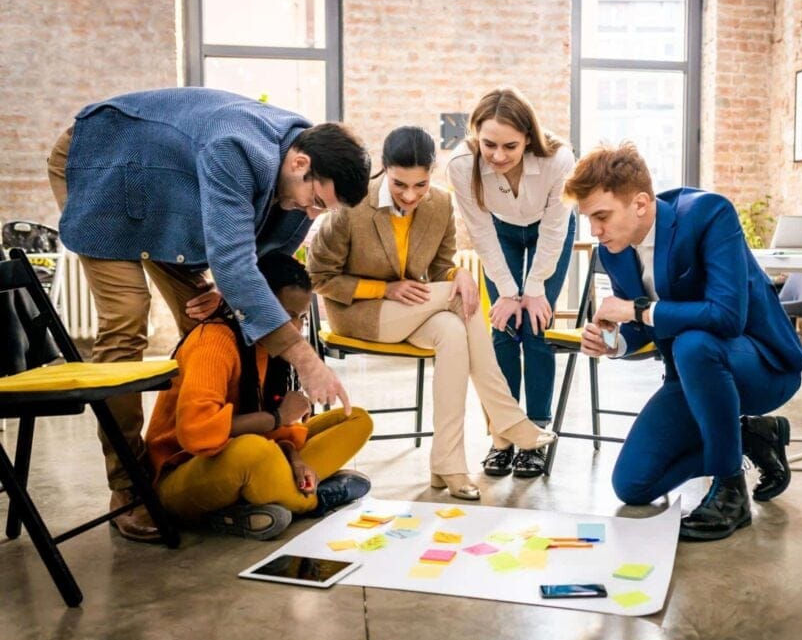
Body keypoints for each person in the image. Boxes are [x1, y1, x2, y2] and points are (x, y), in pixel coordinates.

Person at [47, 87, 371, 541]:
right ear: (300, 164)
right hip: (102, 163)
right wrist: (304, 357)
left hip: (160, 191)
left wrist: (230, 293)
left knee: (213, 324)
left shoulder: (301, 164)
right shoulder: (236, 149)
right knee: (126, 323)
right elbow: (236, 264)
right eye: (315, 201)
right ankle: (131, 486)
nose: (312, 213)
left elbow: (259, 262)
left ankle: (216, 461)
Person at [564, 142, 802, 541]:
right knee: (633, 486)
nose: (595, 230)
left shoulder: (709, 214)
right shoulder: (614, 251)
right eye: (589, 219)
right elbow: (640, 328)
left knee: (694, 344)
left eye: (602, 216)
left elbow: (728, 317)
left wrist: (637, 310)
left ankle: (730, 490)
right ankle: (752, 437)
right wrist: (614, 342)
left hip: (761, 366)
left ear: (640, 203)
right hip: (692, 378)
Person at [307, 126, 555, 500]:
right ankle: (505, 417)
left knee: (454, 332)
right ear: (384, 170)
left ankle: (447, 466)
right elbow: (319, 276)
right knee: (459, 301)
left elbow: (440, 269)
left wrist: (457, 275)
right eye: (399, 184)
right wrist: (386, 289)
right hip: (359, 313)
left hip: (417, 310)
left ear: (432, 174)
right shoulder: (353, 206)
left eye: (420, 185)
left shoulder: (440, 204)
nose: (410, 195)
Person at [145, 252, 373, 541]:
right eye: (285, 315)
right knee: (252, 451)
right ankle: (314, 500)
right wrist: (277, 417)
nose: (295, 329)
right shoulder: (214, 341)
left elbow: (276, 435)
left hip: (256, 456)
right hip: (185, 474)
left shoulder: (274, 349)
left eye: (301, 317)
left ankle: (263, 501)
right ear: (257, 306)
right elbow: (197, 434)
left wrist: (293, 458)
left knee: (356, 420)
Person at [445, 87, 576, 480]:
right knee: (502, 327)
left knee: (535, 326)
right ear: (475, 136)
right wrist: (506, 291)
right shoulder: (461, 164)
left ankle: (535, 432)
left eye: (510, 146)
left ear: (528, 139)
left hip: (547, 232)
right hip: (499, 232)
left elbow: (554, 231)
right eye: (489, 145)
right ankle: (503, 432)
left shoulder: (559, 160)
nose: (498, 156)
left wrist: (533, 291)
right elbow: (480, 231)